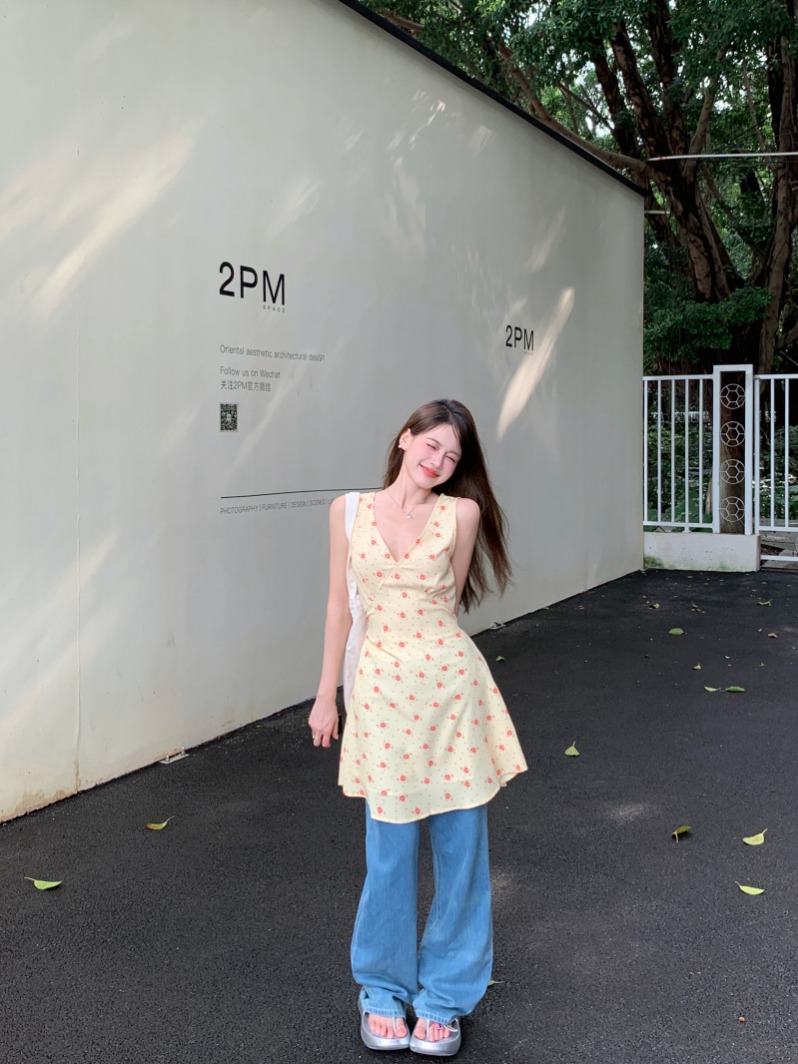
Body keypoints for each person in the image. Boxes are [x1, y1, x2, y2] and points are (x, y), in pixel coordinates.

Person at [308, 399, 527, 1057]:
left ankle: (444, 999)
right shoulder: (347, 511)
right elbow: (338, 609)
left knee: (462, 853)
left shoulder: (461, 514)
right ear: (405, 439)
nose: (438, 462)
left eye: (453, 457)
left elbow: (448, 602)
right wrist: (326, 697)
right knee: (389, 854)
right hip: (380, 697)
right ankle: (381, 991)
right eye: (431, 445)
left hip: (452, 695)